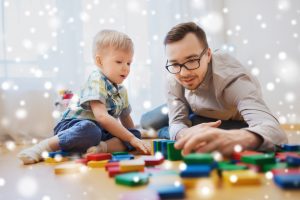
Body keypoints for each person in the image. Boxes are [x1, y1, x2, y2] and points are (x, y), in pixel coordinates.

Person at [141, 22, 287, 156]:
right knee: (147, 122)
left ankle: (163, 132)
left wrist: (242, 138)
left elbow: (276, 132)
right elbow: (177, 121)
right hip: (191, 107)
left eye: (192, 60)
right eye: (175, 63)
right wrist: (182, 133)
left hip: (224, 118)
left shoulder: (234, 79)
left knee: (199, 126)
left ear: (208, 55)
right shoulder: (174, 74)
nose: (184, 73)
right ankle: (166, 130)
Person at [18, 30, 150, 164]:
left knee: (133, 133)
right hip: (74, 126)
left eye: (129, 63)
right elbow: (102, 117)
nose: (126, 68)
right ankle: (43, 147)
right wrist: (130, 139)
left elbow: (126, 119)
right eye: (119, 61)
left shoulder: (121, 91)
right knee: (91, 130)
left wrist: (134, 139)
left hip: (99, 133)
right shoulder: (96, 80)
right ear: (99, 61)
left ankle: (100, 148)